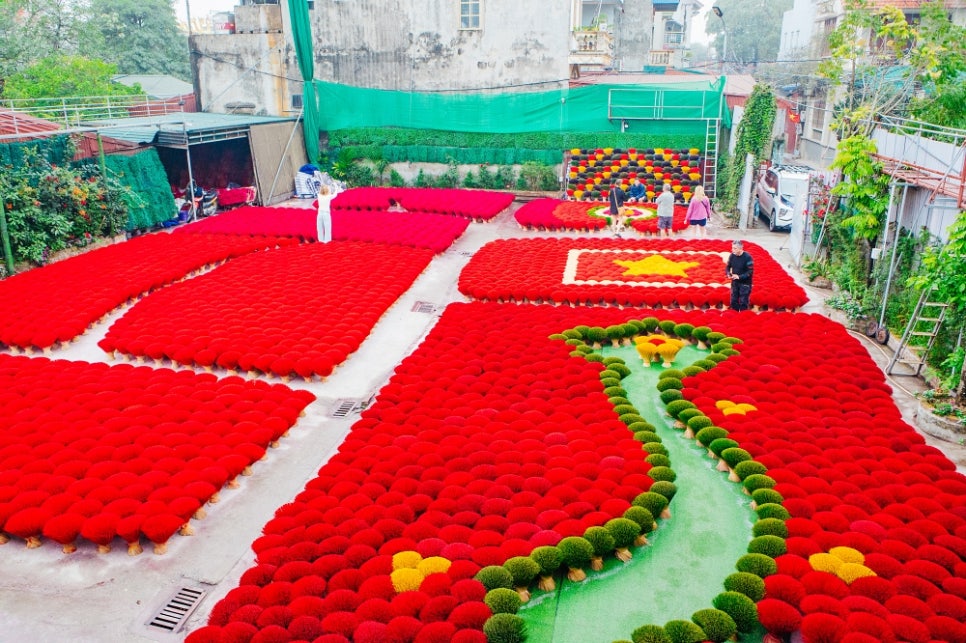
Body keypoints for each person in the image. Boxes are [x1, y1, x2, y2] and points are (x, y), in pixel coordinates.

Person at [726, 239, 754, 311]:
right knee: (733, 300)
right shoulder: (732, 256)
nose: (732, 250)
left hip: (745, 284)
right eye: (732, 248)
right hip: (735, 282)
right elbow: (728, 266)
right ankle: (734, 316)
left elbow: (750, 271)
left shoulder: (747, 257)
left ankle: (742, 317)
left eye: (735, 248)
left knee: (743, 302)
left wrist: (739, 277)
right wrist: (728, 273)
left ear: (741, 248)